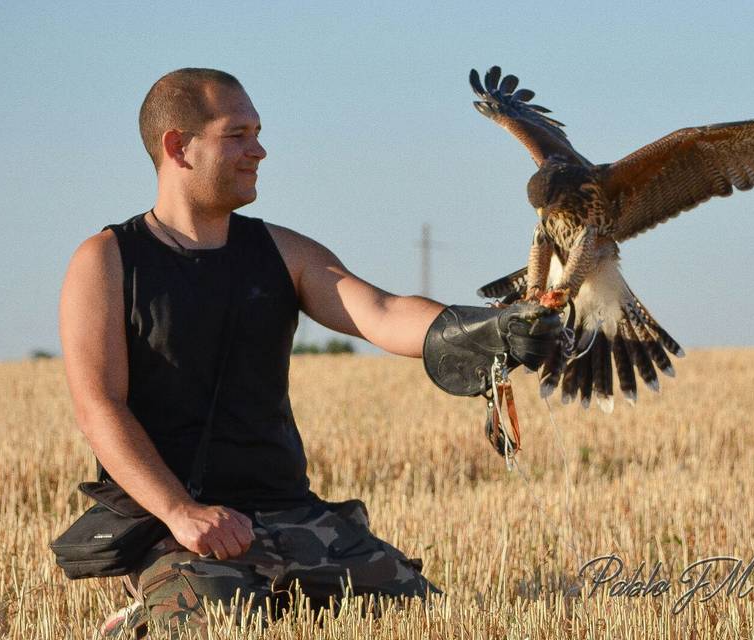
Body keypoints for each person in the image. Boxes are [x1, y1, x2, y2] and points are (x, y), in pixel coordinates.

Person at [58, 68, 561, 637]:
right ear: (179, 146)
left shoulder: (282, 252)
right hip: (173, 523)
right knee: (214, 624)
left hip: (289, 512)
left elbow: (383, 312)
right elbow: (100, 407)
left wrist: (489, 328)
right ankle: (145, 614)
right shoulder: (106, 262)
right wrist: (180, 512)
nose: (260, 150)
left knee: (425, 616)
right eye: (238, 135)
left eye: (258, 132)